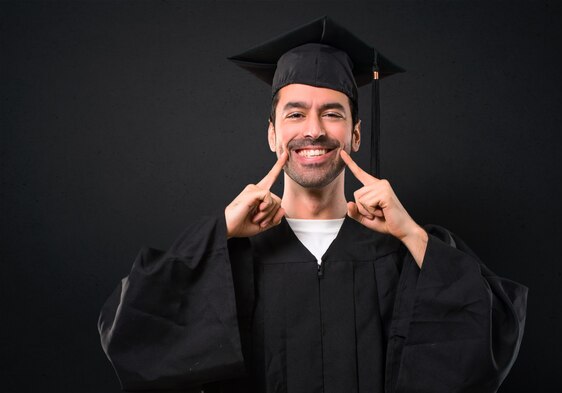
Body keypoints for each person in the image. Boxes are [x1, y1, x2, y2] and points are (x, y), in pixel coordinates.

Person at [98, 17, 527, 393]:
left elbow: (492, 340)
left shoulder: (404, 253)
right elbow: (130, 332)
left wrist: (411, 234)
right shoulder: (231, 256)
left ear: (355, 135)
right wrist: (222, 230)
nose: (314, 130)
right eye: (296, 114)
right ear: (272, 135)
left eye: (333, 114)